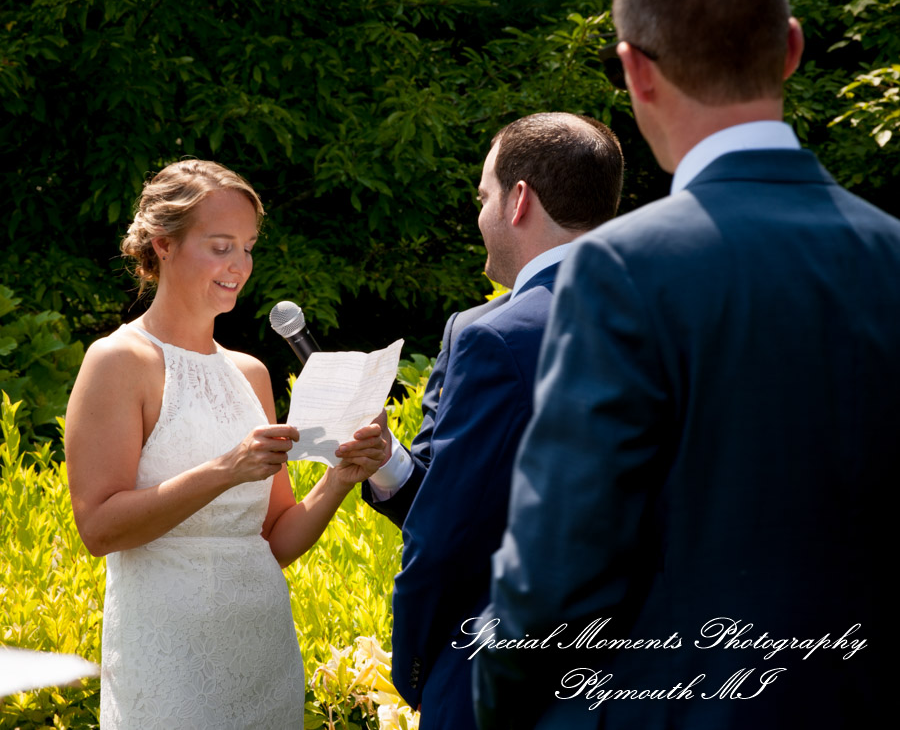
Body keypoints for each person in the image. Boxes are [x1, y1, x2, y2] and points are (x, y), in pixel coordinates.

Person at [474, 0, 898, 728]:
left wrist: (501, 702)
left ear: (636, 71)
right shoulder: (892, 254)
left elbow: (556, 574)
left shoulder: (622, 271)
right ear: (792, 49)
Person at [65, 159, 386, 729]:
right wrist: (225, 469)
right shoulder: (118, 361)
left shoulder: (251, 374)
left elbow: (275, 541)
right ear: (163, 245)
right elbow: (99, 529)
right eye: (220, 246)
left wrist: (341, 477)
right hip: (167, 664)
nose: (239, 265)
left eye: (248, 246)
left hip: (262, 653)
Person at [353, 113, 624, 730]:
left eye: (483, 196)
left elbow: (449, 533)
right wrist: (393, 464)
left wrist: (417, 666)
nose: (479, 215)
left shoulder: (500, 339)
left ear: (519, 200)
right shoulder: (671, 319)